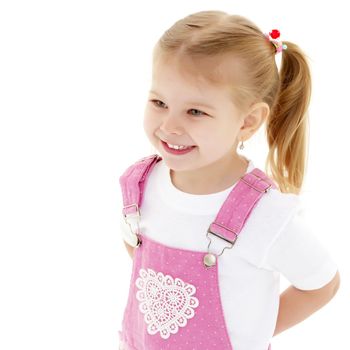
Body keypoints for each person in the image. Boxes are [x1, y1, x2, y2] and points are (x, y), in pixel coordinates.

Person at [117, 10, 340, 350]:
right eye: (159, 102)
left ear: (248, 121)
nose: (170, 126)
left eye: (196, 111)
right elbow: (137, 249)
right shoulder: (141, 184)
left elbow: (322, 284)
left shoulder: (264, 216)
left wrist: (254, 332)